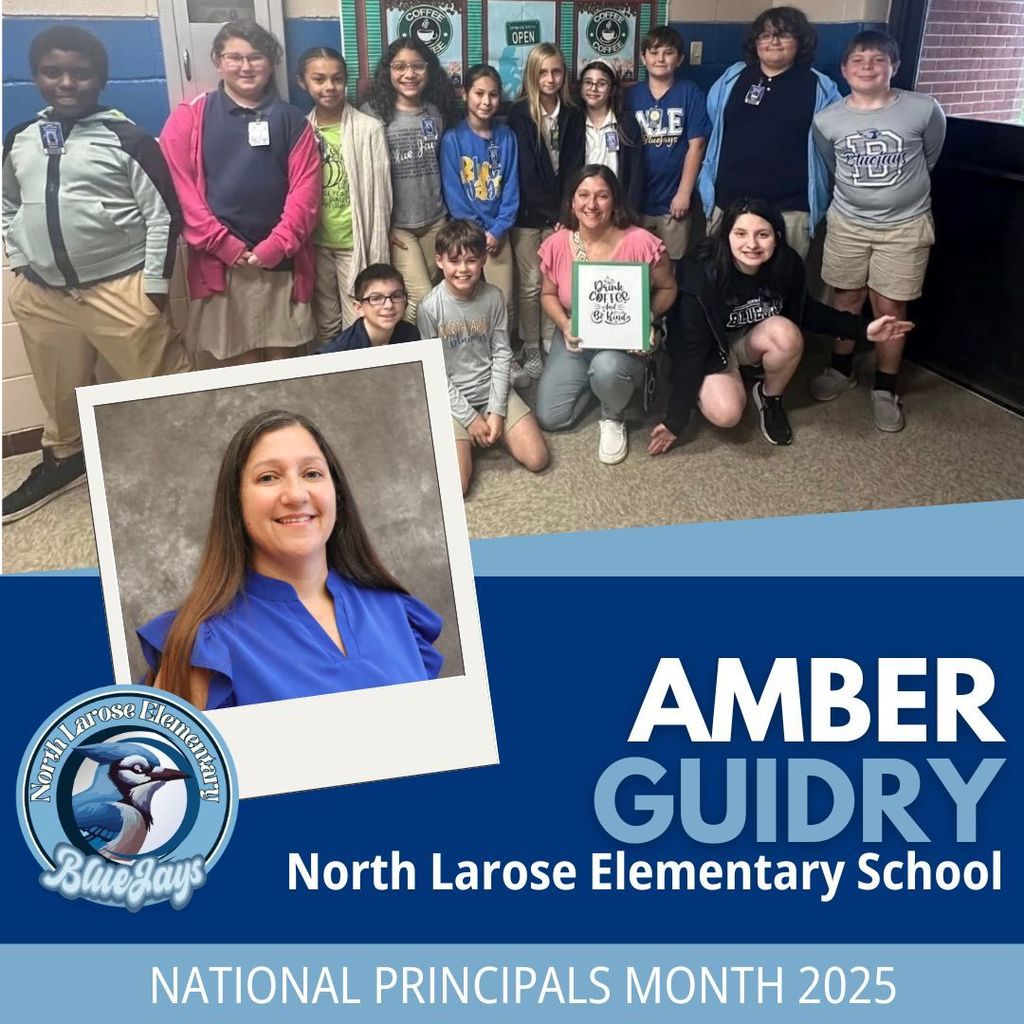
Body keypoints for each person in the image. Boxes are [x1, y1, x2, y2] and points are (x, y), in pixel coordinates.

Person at [1, 25, 191, 524]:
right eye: (52, 72)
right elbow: (8, 203)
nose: (67, 82)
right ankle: (65, 458)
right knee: (58, 390)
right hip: (43, 295)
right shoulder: (20, 138)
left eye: (80, 74)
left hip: (120, 288)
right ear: (36, 77)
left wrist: (153, 288)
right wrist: (20, 260)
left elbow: (162, 215)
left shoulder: (127, 138)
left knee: (159, 383)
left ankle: (189, 464)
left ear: (99, 79)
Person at [138, 409, 443, 709]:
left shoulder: (395, 609)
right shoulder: (202, 646)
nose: (296, 495)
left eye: (312, 473)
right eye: (268, 477)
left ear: (336, 492)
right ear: (236, 502)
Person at [648, 198, 913, 454]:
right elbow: (692, 348)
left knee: (787, 334)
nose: (751, 244)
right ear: (726, 235)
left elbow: (808, 312)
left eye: (762, 235)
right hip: (705, 349)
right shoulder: (701, 272)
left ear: (776, 236)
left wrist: (864, 329)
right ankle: (709, 387)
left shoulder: (785, 264)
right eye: (740, 233)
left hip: (748, 341)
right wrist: (675, 421)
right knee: (726, 414)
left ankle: (769, 397)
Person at [159, 20, 320, 367]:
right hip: (221, 265)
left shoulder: (293, 121)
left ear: (271, 62)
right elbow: (182, 195)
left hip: (281, 263)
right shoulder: (190, 118)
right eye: (235, 57)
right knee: (239, 370)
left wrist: (276, 246)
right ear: (218, 60)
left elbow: (306, 194)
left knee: (286, 364)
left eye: (256, 57)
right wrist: (225, 245)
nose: (246, 66)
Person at [811, 30, 946, 432]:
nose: (867, 67)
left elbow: (930, 157)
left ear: (895, 67)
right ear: (844, 69)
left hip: (905, 226)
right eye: (858, 61)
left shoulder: (923, 109)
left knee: (891, 307)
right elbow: (833, 167)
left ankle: (885, 388)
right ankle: (840, 370)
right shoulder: (828, 119)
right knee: (844, 299)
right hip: (848, 222)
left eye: (877, 60)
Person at [536, 165, 677, 464]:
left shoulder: (640, 242)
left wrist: (646, 318)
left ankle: (613, 414)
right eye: (583, 195)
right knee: (551, 416)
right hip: (578, 338)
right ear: (572, 203)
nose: (592, 204)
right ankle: (600, 386)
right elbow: (547, 295)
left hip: (623, 343)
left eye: (602, 195)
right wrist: (564, 324)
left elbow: (668, 288)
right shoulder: (557, 243)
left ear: (615, 201)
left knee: (608, 367)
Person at [417, 219, 549, 495]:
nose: (463, 269)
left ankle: (488, 432)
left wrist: (497, 411)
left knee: (538, 459)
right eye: (454, 261)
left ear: (483, 260)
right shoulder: (429, 308)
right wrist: (469, 419)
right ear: (440, 261)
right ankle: (466, 436)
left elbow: (502, 354)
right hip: (453, 399)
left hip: (490, 388)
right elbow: (434, 373)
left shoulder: (494, 297)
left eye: (471, 260)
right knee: (458, 488)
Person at [698, 7, 840, 259]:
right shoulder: (733, 78)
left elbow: (836, 141)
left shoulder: (819, 86)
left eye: (783, 35)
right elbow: (714, 118)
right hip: (729, 204)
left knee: (781, 287)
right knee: (723, 283)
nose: (773, 41)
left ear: (800, 41)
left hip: (790, 210)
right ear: (756, 42)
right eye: (765, 35)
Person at [296, 47, 392, 341]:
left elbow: (383, 193)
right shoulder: (300, 130)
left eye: (337, 79)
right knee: (325, 321)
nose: (329, 87)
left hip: (356, 242)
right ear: (303, 83)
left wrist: (382, 235)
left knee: (359, 320)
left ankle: (362, 381)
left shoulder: (369, 129)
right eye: (319, 79)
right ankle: (332, 380)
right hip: (317, 243)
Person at [361, 37, 458, 325]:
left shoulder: (436, 111)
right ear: (388, 71)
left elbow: (446, 164)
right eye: (400, 66)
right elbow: (365, 178)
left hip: (435, 222)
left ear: (428, 71)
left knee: (428, 297)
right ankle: (419, 362)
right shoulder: (372, 114)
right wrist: (383, 225)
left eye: (417, 66)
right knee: (422, 299)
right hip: (399, 228)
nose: (409, 74)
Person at [508, 43, 579, 383]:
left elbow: (574, 168)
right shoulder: (521, 113)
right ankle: (530, 343)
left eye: (556, 72)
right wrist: (550, 212)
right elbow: (525, 171)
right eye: (543, 73)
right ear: (532, 75)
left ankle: (552, 338)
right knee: (531, 284)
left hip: (561, 215)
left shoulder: (572, 112)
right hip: (528, 214)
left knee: (556, 281)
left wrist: (565, 212)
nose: (550, 79)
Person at [439, 65, 519, 325]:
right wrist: (478, 231)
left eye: (493, 95)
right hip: (466, 233)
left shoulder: (507, 137)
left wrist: (497, 230)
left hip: (498, 234)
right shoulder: (453, 139)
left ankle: (502, 356)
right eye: (479, 93)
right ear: (465, 94)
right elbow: (454, 193)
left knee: (503, 301)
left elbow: (511, 187)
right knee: (465, 301)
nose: (486, 101)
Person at [624, 26, 710, 262]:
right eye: (653, 52)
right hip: (636, 200)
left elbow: (697, 145)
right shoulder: (630, 96)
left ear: (680, 58)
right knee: (636, 266)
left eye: (668, 52)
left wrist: (684, 192)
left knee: (672, 266)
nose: (660, 58)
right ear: (643, 58)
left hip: (673, 202)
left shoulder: (689, 92)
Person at [562, 60, 644, 216]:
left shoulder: (626, 123)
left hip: (617, 208)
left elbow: (636, 173)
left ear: (612, 89)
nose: (593, 88)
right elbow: (567, 172)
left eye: (601, 84)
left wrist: (630, 212)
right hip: (584, 208)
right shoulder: (573, 124)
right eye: (588, 82)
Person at [316, 264, 420, 353]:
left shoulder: (410, 334)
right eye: (376, 298)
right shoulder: (340, 350)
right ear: (359, 308)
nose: (389, 305)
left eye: (396, 296)